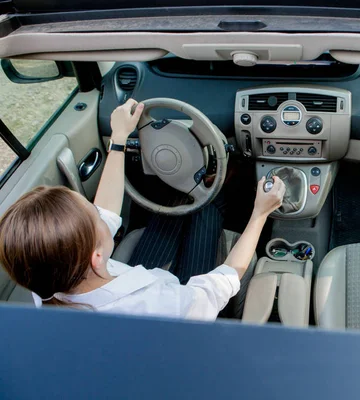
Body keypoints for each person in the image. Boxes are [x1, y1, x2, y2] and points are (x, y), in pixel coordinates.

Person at [0, 99, 286, 320]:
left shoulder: (44, 280)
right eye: (91, 211)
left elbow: (106, 213)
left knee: (179, 205)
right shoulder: (159, 306)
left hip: (131, 277)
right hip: (186, 312)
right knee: (208, 208)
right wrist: (261, 212)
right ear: (96, 256)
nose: (98, 210)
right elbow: (225, 279)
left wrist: (120, 138)